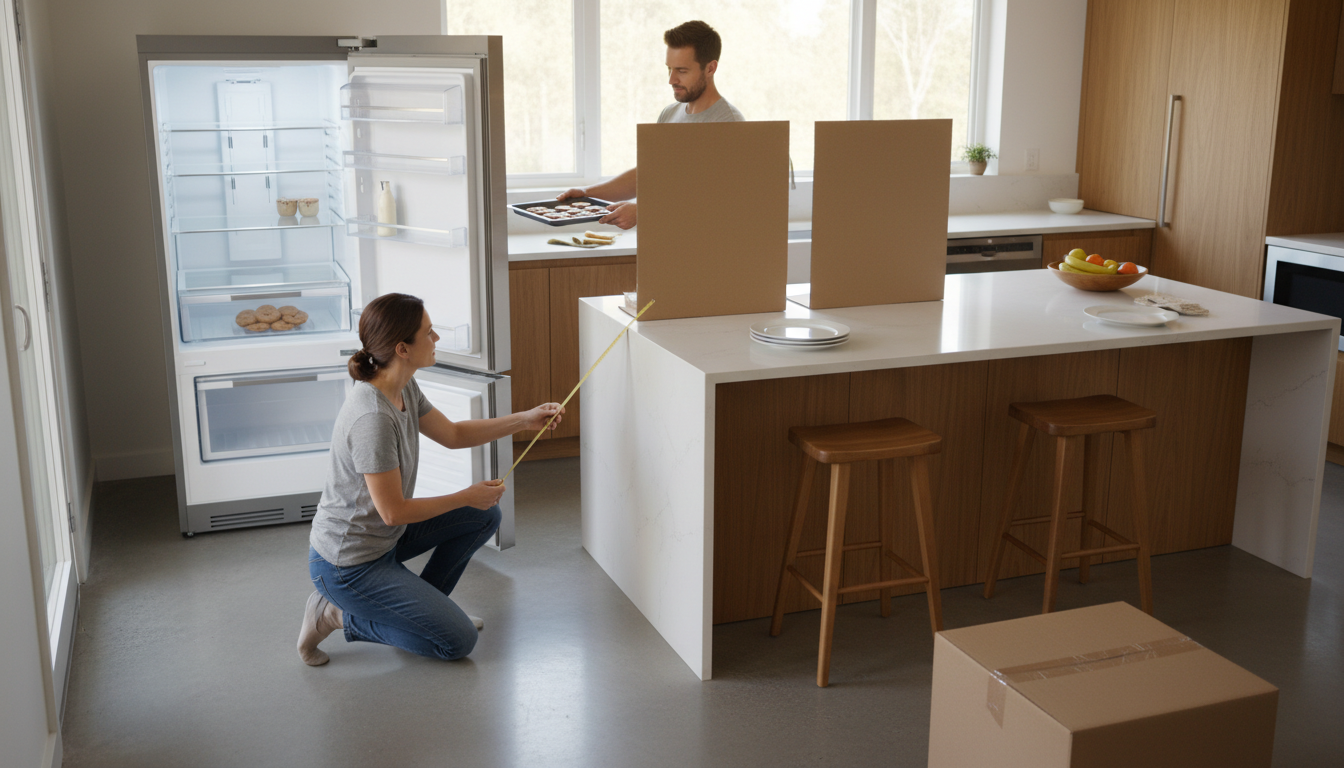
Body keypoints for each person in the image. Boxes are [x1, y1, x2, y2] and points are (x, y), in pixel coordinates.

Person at [297, 292, 563, 665]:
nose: (436, 339)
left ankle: (427, 616)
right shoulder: (371, 418)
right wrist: (465, 495)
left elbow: (453, 434)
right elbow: (392, 512)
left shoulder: (402, 385)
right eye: (429, 332)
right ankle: (335, 614)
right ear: (403, 348)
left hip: (384, 542)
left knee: (484, 515)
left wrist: (525, 419)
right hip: (348, 565)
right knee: (456, 642)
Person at [558, 19, 745, 230]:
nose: (672, 80)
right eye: (669, 69)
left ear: (710, 68)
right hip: (664, 244)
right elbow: (649, 173)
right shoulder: (670, 113)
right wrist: (587, 193)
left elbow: (716, 198)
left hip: (705, 249)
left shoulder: (729, 123)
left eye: (682, 71)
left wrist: (643, 210)